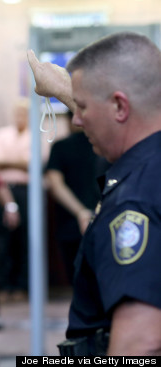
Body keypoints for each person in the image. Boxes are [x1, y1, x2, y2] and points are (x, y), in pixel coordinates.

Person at [28, 31, 161, 355]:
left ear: (119, 105)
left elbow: (140, 344)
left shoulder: (134, 199)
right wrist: (67, 89)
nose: (75, 118)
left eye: (82, 107)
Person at [45, 110, 109, 284]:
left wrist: (80, 212)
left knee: (78, 282)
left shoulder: (60, 146)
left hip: (71, 222)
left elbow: (56, 185)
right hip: (103, 219)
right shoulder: (106, 145)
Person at [0, 98, 38, 303]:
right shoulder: (1, 135)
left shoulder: (36, 136)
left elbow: (33, 164)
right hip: (2, 190)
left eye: (24, 113)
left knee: (26, 239)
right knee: (2, 239)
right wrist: (18, 163)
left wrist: (6, 163)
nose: (20, 117)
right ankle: (4, 285)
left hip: (28, 192)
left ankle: (22, 287)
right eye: (17, 113)